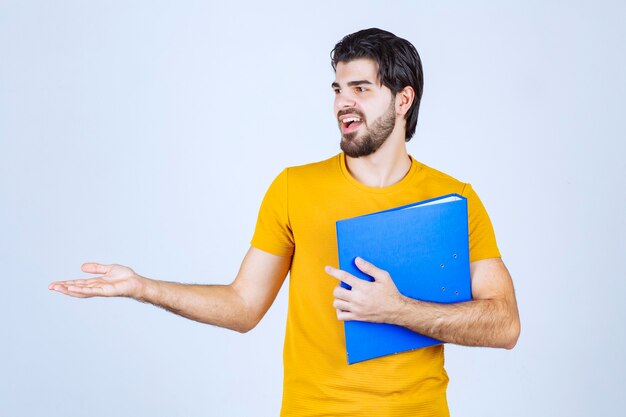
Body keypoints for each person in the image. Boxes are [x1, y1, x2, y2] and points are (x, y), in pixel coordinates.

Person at [49, 28, 520, 417]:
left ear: (403, 100)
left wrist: (396, 309)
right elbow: (242, 306)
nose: (343, 103)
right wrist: (142, 286)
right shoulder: (294, 188)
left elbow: (504, 324)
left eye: (361, 88)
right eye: (337, 89)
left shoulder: (455, 199)